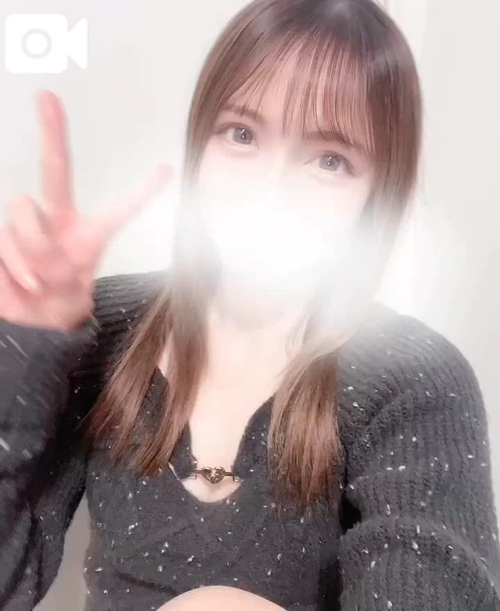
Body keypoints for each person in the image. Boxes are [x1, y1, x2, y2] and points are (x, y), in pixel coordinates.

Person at [0, 0, 499, 610]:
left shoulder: (414, 378)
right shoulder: (106, 328)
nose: (270, 189)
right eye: (242, 134)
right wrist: (28, 347)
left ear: (378, 194)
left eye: (331, 161)